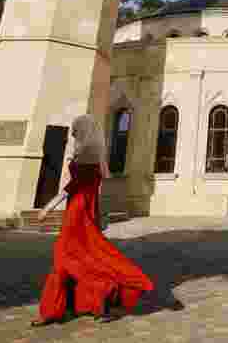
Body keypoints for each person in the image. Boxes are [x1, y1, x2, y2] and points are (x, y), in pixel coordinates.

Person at [31, 113, 154, 326]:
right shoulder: (97, 154)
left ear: (83, 131)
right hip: (88, 210)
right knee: (82, 258)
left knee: (65, 259)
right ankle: (69, 306)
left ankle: (84, 296)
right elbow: (103, 176)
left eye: (75, 129)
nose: (72, 133)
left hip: (76, 212)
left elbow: (71, 188)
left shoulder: (84, 154)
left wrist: (47, 208)